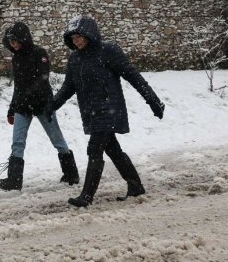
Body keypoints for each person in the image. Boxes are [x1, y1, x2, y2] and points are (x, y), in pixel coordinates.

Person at [52, 15, 165, 207]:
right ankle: (135, 186)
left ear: (89, 34)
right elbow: (67, 88)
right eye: (72, 38)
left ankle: (86, 196)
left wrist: (152, 100)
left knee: (94, 149)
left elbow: (133, 76)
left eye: (78, 36)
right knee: (113, 150)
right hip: (91, 113)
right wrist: (51, 106)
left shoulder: (108, 51)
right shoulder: (75, 59)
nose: (75, 41)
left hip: (109, 109)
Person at [0, 21, 79, 191]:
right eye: (11, 42)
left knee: (57, 139)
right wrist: (12, 108)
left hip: (43, 105)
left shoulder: (39, 53)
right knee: (17, 142)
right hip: (22, 107)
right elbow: (18, 85)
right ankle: (14, 180)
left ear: (23, 39)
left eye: (16, 41)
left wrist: (29, 96)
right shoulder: (16, 58)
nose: (13, 45)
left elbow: (43, 78)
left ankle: (71, 173)